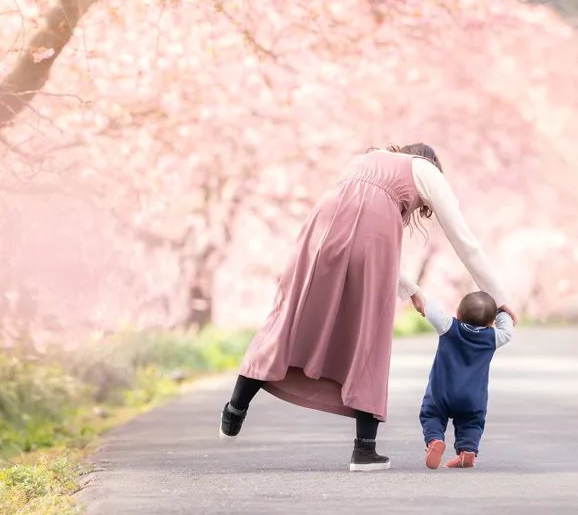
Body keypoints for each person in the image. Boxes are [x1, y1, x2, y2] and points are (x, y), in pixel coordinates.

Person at [219, 143, 516, 472]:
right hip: (371, 233)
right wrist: (498, 297)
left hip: (321, 222)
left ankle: (235, 407)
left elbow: (355, 223)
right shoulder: (427, 171)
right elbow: (463, 240)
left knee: (292, 314)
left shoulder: (366, 161)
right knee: (369, 332)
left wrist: (412, 289)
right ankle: (364, 450)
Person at [419, 291, 514, 469]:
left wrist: (421, 296)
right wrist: (502, 311)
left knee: (431, 414)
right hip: (473, 398)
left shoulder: (448, 327)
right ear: (491, 322)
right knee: (472, 422)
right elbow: (508, 331)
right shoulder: (492, 337)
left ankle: (434, 441)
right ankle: (468, 451)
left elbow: (430, 310)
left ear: (458, 313)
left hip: (442, 393)